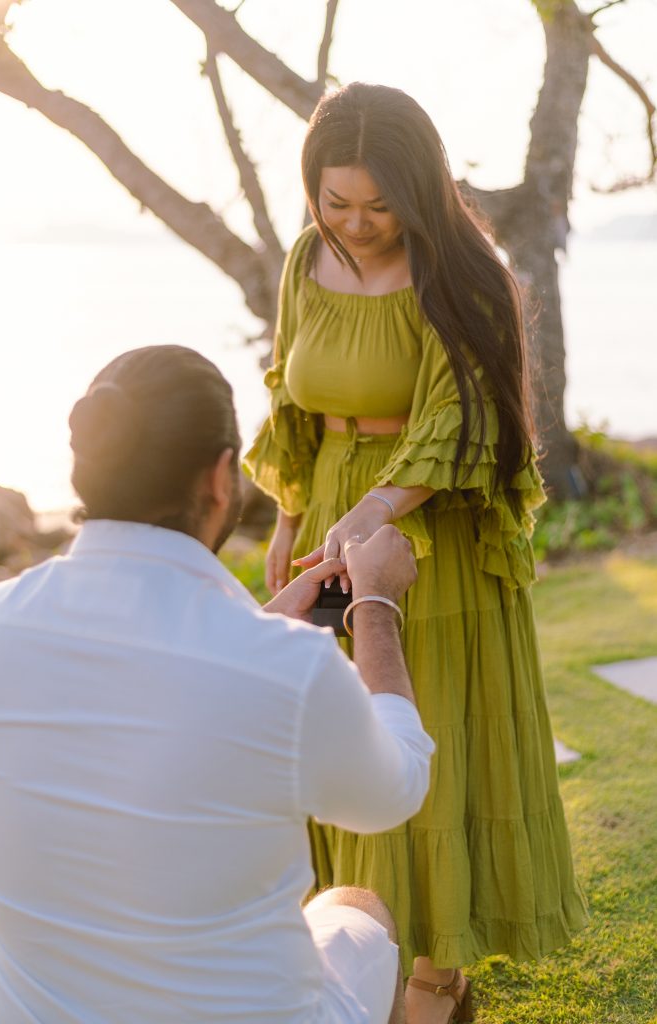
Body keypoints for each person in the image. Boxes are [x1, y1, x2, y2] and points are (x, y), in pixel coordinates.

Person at [244, 82, 588, 1023]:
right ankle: (356, 934)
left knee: (423, 733)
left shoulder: (461, 269)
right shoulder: (306, 257)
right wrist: (289, 515)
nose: (355, 223)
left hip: (428, 525)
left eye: (378, 203)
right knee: (336, 736)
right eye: (336, 200)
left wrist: (375, 510)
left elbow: (465, 415)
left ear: (419, 189)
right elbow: (290, 389)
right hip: (330, 509)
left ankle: (436, 977)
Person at [0, 345, 435, 1024]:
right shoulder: (284, 667)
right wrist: (377, 607)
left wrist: (260, 627)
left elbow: (128, 692)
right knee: (356, 909)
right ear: (222, 479)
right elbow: (393, 790)